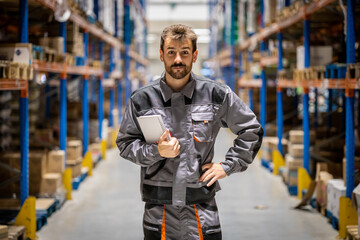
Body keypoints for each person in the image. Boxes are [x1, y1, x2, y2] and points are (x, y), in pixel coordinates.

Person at [116, 24, 263, 240]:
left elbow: (251, 129)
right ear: (161, 55)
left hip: (201, 210)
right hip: (159, 211)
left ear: (194, 56)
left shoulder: (216, 95)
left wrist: (227, 166)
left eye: (184, 52)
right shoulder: (142, 99)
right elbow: (126, 144)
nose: (178, 59)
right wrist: (157, 151)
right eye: (171, 52)